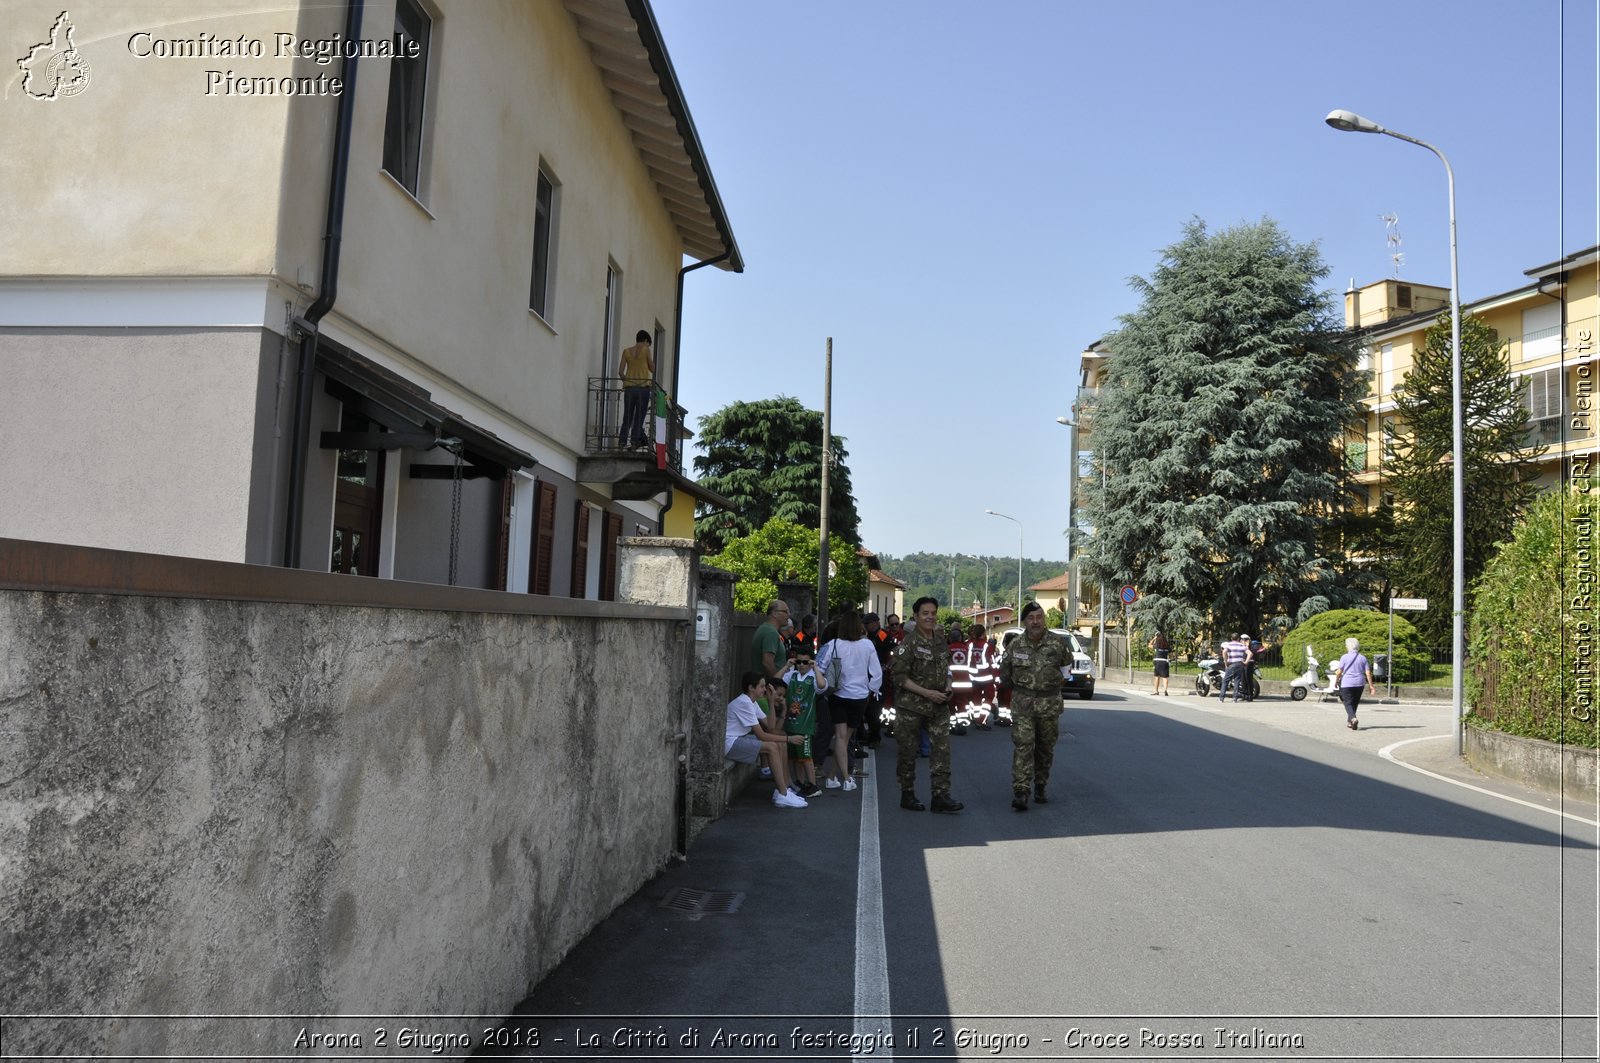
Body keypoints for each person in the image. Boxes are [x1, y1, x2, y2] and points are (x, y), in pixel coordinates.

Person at [891, 597, 963, 813]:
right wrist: (926, 693)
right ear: (915, 616)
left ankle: (940, 796)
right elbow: (899, 677)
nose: (930, 617)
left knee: (942, 751)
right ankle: (907, 793)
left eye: (933, 613)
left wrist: (949, 686)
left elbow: (947, 669)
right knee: (908, 752)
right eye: (925, 613)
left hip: (939, 706)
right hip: (911, 707)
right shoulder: (908, 644)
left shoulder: (940, 641)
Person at [998, 601, 1070, 811]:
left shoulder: (1058, 643)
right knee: (1024, 746)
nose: (1035, 621)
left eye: (1039, 617)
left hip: (1049, 705)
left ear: (1044, 619)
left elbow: (1066, 669)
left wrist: (1051, 686)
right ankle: (1021, 791)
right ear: (1025, 622)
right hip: (1023, 706)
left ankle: (1040, 785)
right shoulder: (1015, 645)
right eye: (1031, 618)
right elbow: (1005, 674)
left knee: (1045, 748)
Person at [816, 611, 881, 791]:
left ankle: (832, 777)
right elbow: (876, 673)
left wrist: (822, 688)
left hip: (837, 695)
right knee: (845, 738)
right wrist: (872, 690)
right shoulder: (868, 645)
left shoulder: (833, 644)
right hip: (860, 697)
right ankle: (846, 778)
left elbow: (819, 667)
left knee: (841, 738)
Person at [725, 672, 807, 808]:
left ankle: (783, 790)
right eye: (762, 686)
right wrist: (789, 739)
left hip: (738, 739)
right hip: (729, 743)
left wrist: (771, 701)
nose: (765, 690)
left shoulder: (752, 702)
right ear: (751, 688)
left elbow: (770, 725)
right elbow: (762, 735)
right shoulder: (744, 702)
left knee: (778, 743)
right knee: (772, 747)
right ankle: (783, 794)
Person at [617, 329, 654, 450]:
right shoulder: (646, 350)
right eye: (648, 343)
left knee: (627, 417)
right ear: (645, 341)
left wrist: (627, 381)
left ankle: (621, 443)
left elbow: (620, 372)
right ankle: (633, 444)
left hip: (629, 388)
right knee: (639, 418)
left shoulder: (626, 351)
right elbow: (652, 368)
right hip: (643, 388)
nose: (648, 346)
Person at [1334, 636, 1377, 730]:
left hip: (1347, 683)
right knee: (1355, 702)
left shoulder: (1344, 657)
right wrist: (1371, 686)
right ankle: (1350, 722)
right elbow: (1368, 672)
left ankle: (1353, 718)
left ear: (1348, 646)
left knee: (1347, 702)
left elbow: (1339, 671)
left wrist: (1336, 681)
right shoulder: (1363, 658)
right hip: (1359, 683)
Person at [750, 600, 790, 681]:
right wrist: (777, 682)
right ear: (775, 613)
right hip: (768, 688)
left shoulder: (765, 629)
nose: (788, 615)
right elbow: (767, 663)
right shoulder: (771, 633)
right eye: (785, 611)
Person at [1218, 632, 1251, 703]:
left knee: (1225, 680)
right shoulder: (1241, 645)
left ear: (1231, 638)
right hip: (1240, 664)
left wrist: (1225, 662)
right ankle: (1234, 698)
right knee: (1237, 681)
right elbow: (1250, 653)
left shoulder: (1228, 645)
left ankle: (1221, 697)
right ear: (1238, 638)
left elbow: (1224, 652)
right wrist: (1246, 662)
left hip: (1231, 664)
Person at [1149, 631, 1171, 696]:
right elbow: (1171, 655)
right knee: (1165, 677)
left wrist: (1154, 638)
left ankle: (1156, 691)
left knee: (1157, 677)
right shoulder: (1167, 647)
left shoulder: (1157, 646)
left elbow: (1149, 645)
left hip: (1157, 662)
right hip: (1164, 662)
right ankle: (1165, 690)